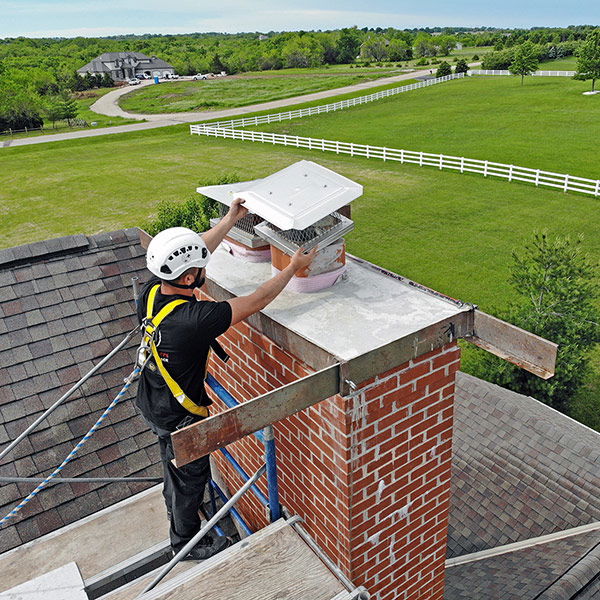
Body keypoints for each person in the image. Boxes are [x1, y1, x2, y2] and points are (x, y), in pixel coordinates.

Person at [136, 198, 316, 560]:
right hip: (179, 416)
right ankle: (186, 543)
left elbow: (196, 251)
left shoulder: (153, 291)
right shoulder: (194, 319)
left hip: (152, 398)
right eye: (199, 268)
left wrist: (233, 218)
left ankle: (175, 505)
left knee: (174, 469)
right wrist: (292, 268)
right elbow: (255, 301)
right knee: (190, 477)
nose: (204, 265)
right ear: (189, 278)